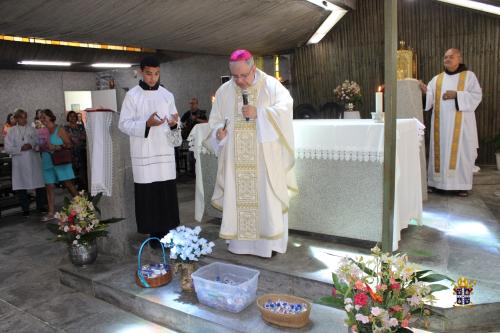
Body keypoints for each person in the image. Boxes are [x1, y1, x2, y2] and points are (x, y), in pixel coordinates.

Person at [208, 49, 297, 258]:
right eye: (235, 76)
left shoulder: (271, 86)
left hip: (264, 159)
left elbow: (285, 109)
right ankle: (240, 245)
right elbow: (215, 121)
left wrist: (260, 113)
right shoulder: (223, 91)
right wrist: (218, 133)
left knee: (266, 199)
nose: (239, 81)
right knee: (238, 200)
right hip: (235, 161)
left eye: (243, 76)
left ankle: (268, 247)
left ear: (253, 68)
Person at [118, 55, 180, 243]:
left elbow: (177, 123)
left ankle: (168, 234)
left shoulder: (167, 95)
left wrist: (174, 123)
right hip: (145, 154)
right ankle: (154, 237)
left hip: (164, 154)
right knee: (150, 197)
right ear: (140, 72)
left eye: (156, 74)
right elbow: (124, 124)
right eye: (149, 74)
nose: (153, 78)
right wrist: (146, 124)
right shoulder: (132, 95)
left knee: (166, 194)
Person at [419, 48, 482, 197]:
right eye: (445, 57)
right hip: (440, 126)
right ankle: (436, 184)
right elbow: (429, 100)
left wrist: (457, 95)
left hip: (462, 126)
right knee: (439, 151)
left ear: (459, 59)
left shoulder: (469, 76)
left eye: (451, 57)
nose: (447, 59)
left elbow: (477, 95)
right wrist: (424, 91)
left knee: (461, 152)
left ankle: (461, 185)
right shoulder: (437, 79)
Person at [3, 109, 46, 216]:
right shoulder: (11, 131)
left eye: (25, 117)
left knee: (39, 184)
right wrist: (20, 148)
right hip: (20, 162)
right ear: (16, 119)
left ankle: (40, 206)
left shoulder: (33, 129)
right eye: (21, 117)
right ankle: (25, 209)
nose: (24, 119)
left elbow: (39, 143)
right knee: (21, 186)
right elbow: (7, 148)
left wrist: (32, 145)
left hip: (33, 161)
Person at [39, 109, 78, 221]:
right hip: (47, 160)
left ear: (50, 117)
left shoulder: (59, 129)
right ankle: (51, 212)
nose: (42, 119)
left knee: (68, 184)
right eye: (41, 118)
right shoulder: (42, 131)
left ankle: (82, 205)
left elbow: (69, 144)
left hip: (60, 160)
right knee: (49, 186)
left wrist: (56, 147)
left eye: (44, 117)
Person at [64, 111, 88, 191]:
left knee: (83, 171)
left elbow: (84, 136)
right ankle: (74, 189)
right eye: (70, 116)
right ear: (68, 118)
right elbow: (67, 138)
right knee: (73, 171)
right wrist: (76, 137)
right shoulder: (65, 128)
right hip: (71, 152)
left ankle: (84, 189)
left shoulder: (81, 126)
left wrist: (74, 137)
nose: (72, 118)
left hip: (81, 151)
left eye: (74, 116)